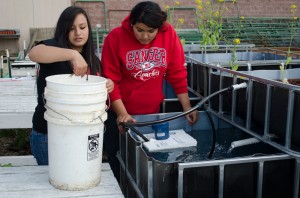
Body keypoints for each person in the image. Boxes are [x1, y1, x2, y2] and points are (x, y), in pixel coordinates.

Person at [101, 1, 199, 183]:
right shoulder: (115, 38)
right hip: (119, 116)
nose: (145, 36)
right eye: (139, 30)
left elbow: (177, 73)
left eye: (151, 31)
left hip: (152, 115)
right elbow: (110, 82)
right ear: (131, 23)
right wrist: (123, 115)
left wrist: (187, 107)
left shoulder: (168, 35)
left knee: (148, 167)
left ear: (159, 28)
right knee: (120, 166)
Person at [28, 6, 114, 165]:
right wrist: (72, 54)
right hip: (49, 135)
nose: (78, 33)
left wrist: (108, 85)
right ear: (63, 30)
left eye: (82, 27)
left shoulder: (94, 60)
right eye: (71, 28)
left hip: (82, 134)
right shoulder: (54, 47)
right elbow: (34, 53)